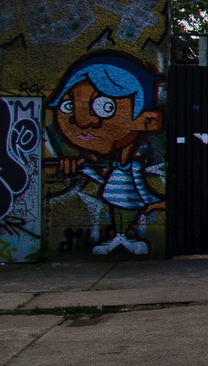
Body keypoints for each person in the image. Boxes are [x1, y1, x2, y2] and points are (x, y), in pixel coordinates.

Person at [47, 53, 165, 255]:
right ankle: (121, 237)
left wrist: (156, 202)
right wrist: (75, 167)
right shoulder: (59, 143)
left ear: (148, 119)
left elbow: (144, 184)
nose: (84, 122)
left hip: (127, 198)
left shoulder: (147, 158)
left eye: (105, 107)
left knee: (123, 212)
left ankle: (122, 237)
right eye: (69, 106)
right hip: (116, 196)